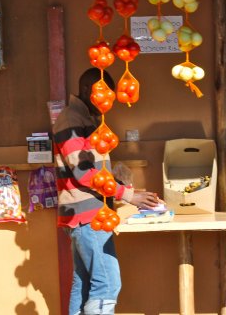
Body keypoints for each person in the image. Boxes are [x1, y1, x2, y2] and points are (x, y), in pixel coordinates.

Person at [52, 67, 159, 315]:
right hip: (88, 216)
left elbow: (92, 172)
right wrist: (128, 196)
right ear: (91, 91)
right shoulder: (72, 120)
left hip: (89, 214)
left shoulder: (86, 119)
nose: (108, 103)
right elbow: (83, 172)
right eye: (105, 96)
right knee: (108, 284)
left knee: (84, 284)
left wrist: (121, 187)